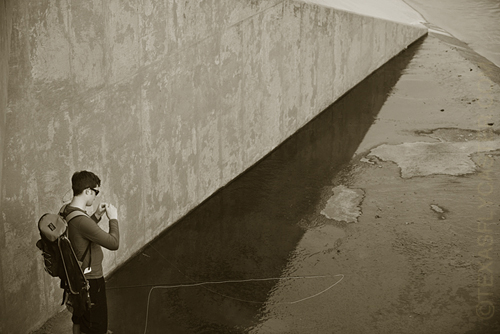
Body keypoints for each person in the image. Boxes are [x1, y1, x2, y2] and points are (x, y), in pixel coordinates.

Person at [61, 170, 120, 334]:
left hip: (76, 279)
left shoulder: (67, 210)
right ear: (87, 191)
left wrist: (97, 215)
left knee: (79, 318)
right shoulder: (81, 220)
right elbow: (113, 243)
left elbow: (80, 233)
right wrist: (113, 218)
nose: (96, 196)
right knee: (96, 325)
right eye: (96, 191)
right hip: (91, 281)